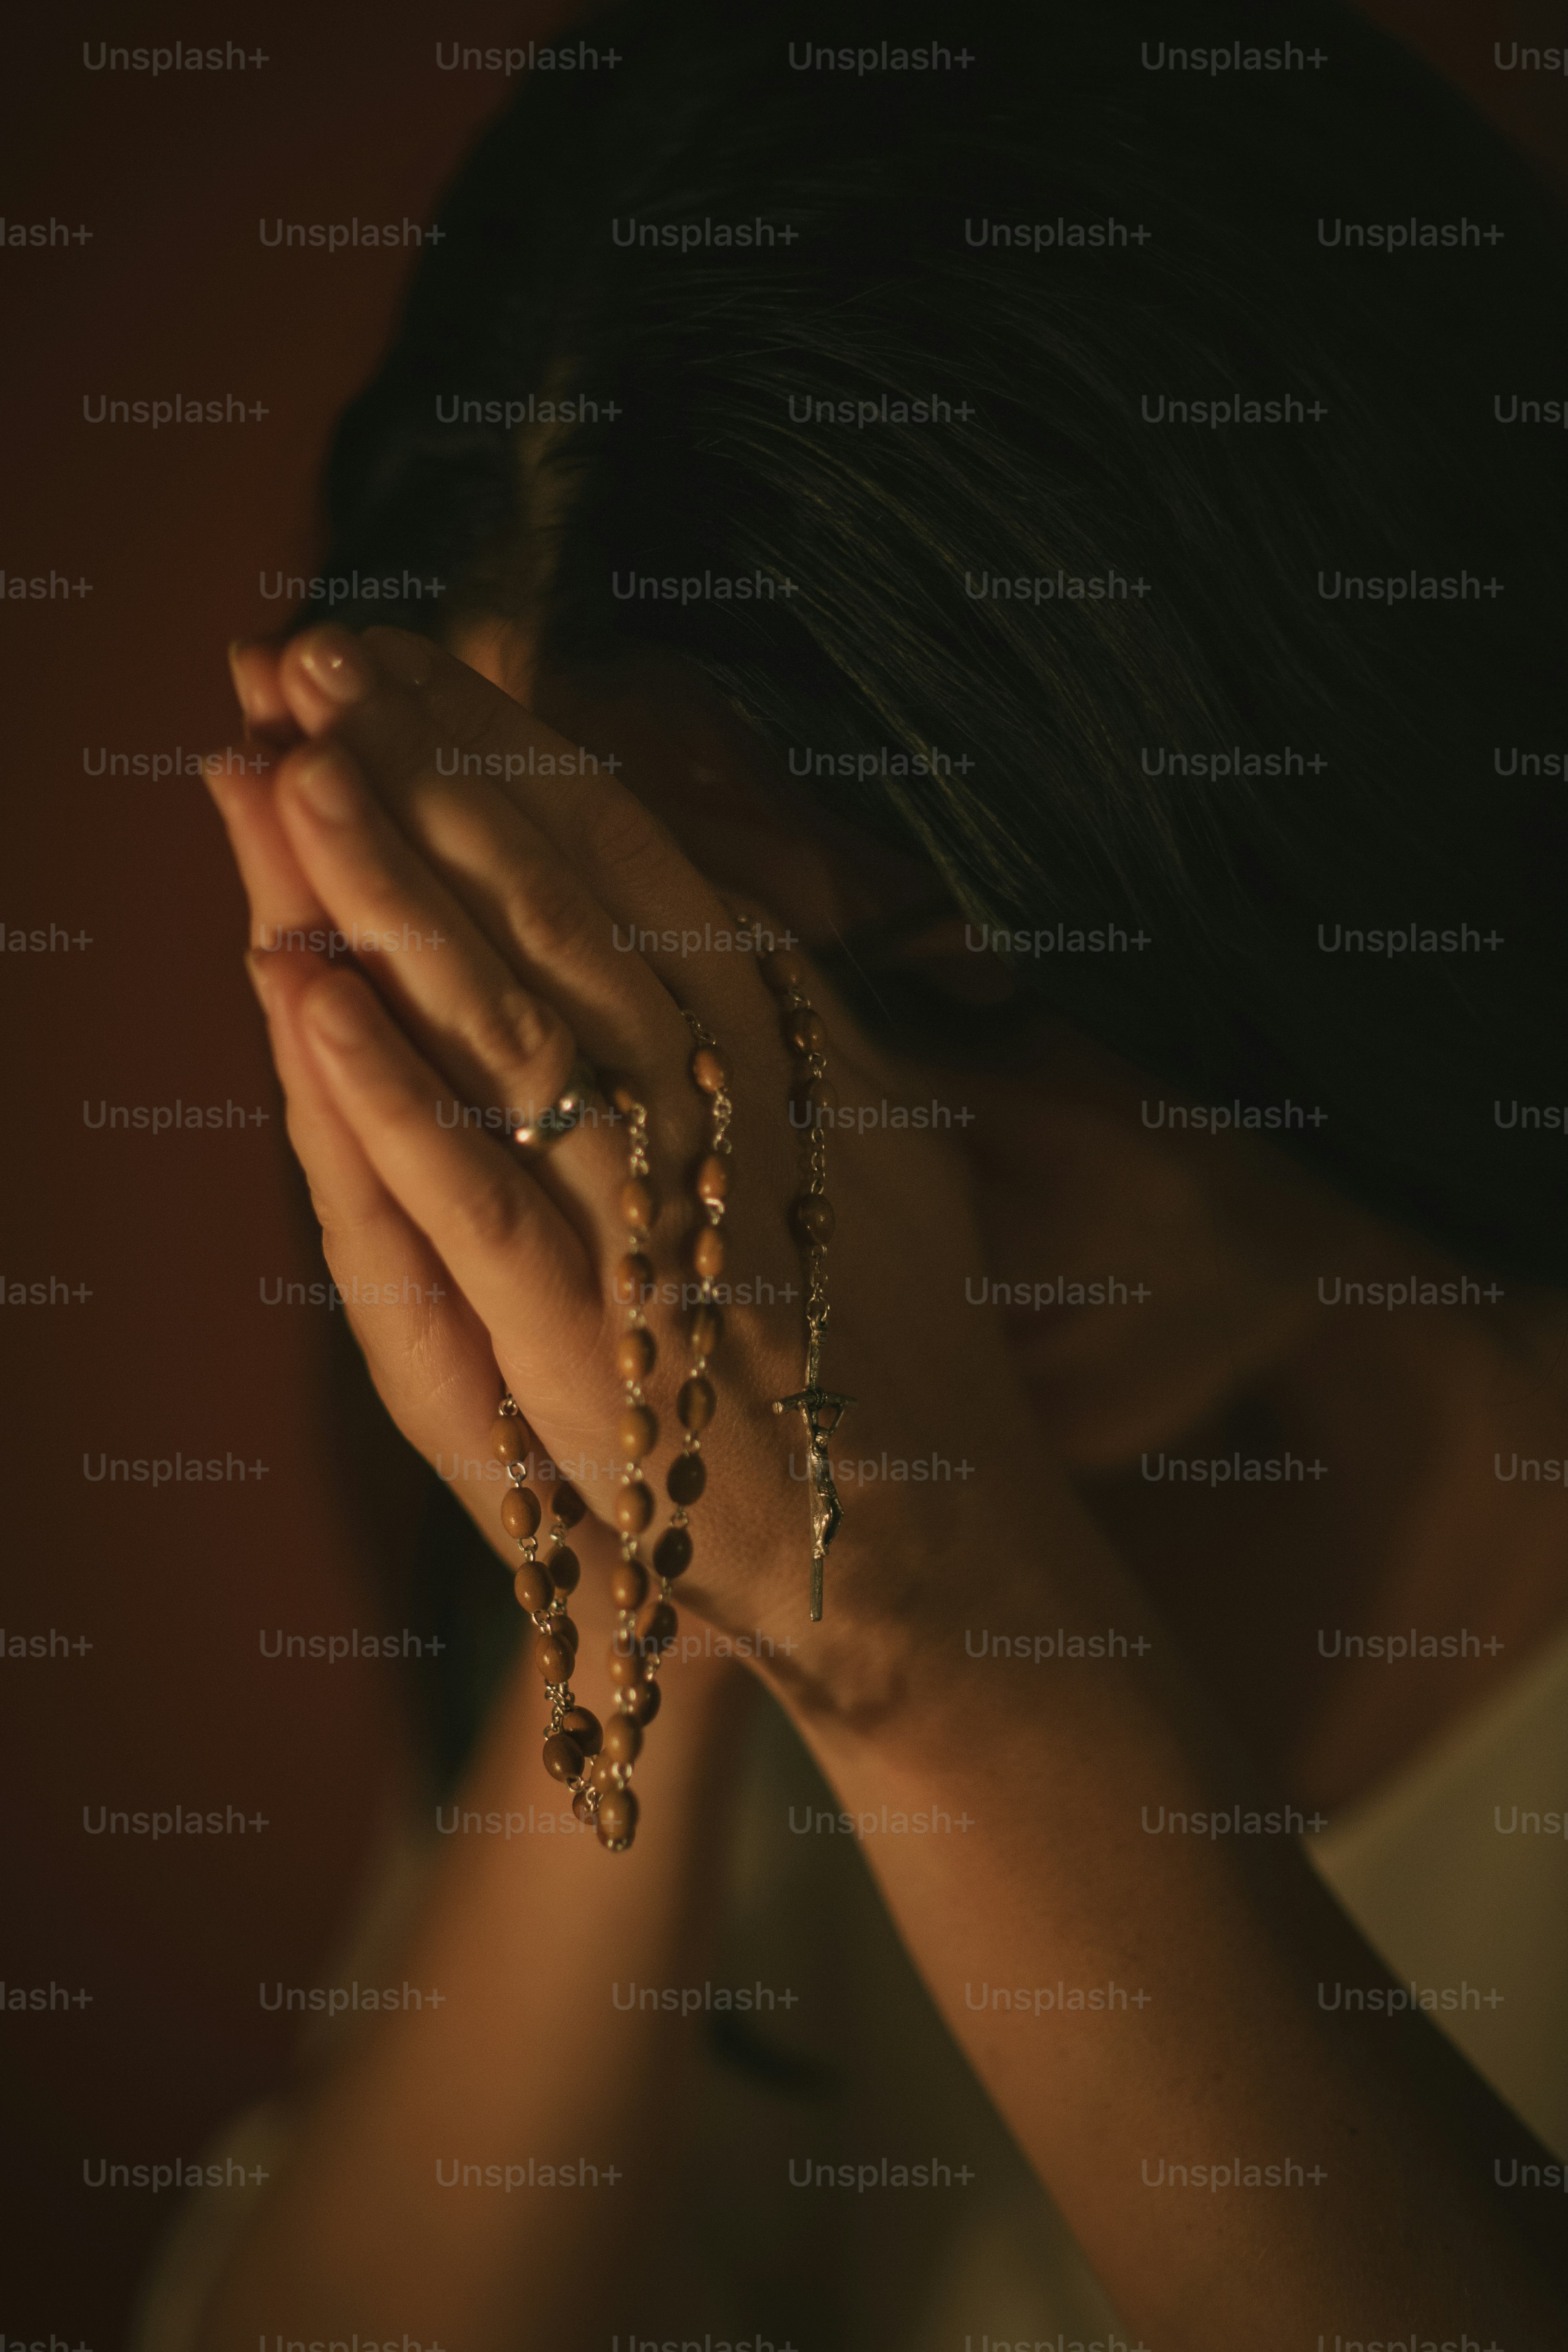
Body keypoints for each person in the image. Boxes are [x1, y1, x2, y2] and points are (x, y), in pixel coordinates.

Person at [153, 0, 1568, 2345]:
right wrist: (678, 1571)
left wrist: (938, 1628)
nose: (829, 1181)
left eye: (973, 991)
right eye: (656, 1019)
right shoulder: (683, 1477)